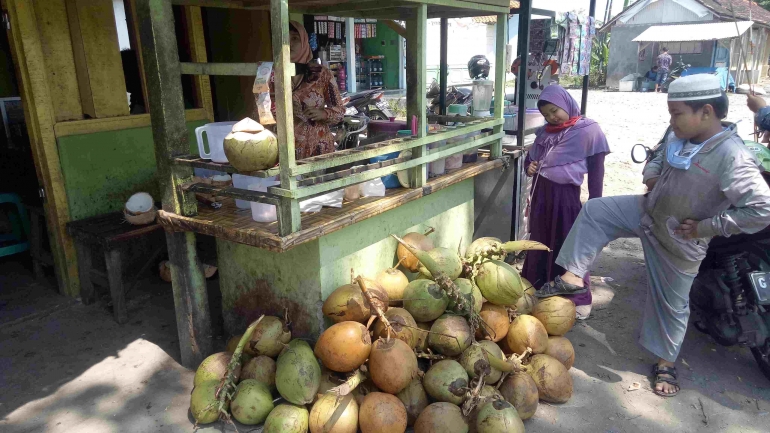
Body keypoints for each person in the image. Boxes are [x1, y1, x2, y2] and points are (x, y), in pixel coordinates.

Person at [536, 74, 770, 397]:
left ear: (705, 112)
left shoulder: (732, 155)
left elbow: (762, 209)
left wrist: (706, 227)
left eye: (676, 114)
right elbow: (659, 153)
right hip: (647, 213)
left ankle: (665, 363)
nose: (671, 121)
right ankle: (573, 276)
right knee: (595, 211)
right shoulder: (681, 132)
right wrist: (651, 173)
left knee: (672, 306)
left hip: (680, 239)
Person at [521, 85, 610, 320]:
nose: (552, 117)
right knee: (540, 244)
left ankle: (578, 299)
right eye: (547, 114)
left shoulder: (588, 131)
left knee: (570, 246)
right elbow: (530, 160)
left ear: (566, 103)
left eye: (554, 111)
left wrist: (595, 204)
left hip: (566, 199)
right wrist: (528, 167)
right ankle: (536, 291)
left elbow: (596, 170)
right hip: (541, 197)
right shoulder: (544, 134)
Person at [269, 21, 344, 159]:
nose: (289, 44)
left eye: (295, 39)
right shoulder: (270, 74)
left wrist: (323, 114)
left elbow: (340, 112)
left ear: (304, 42)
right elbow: (260, 112)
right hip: (282, 150)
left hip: (318, 150)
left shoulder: (321, 74)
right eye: (284, 39)